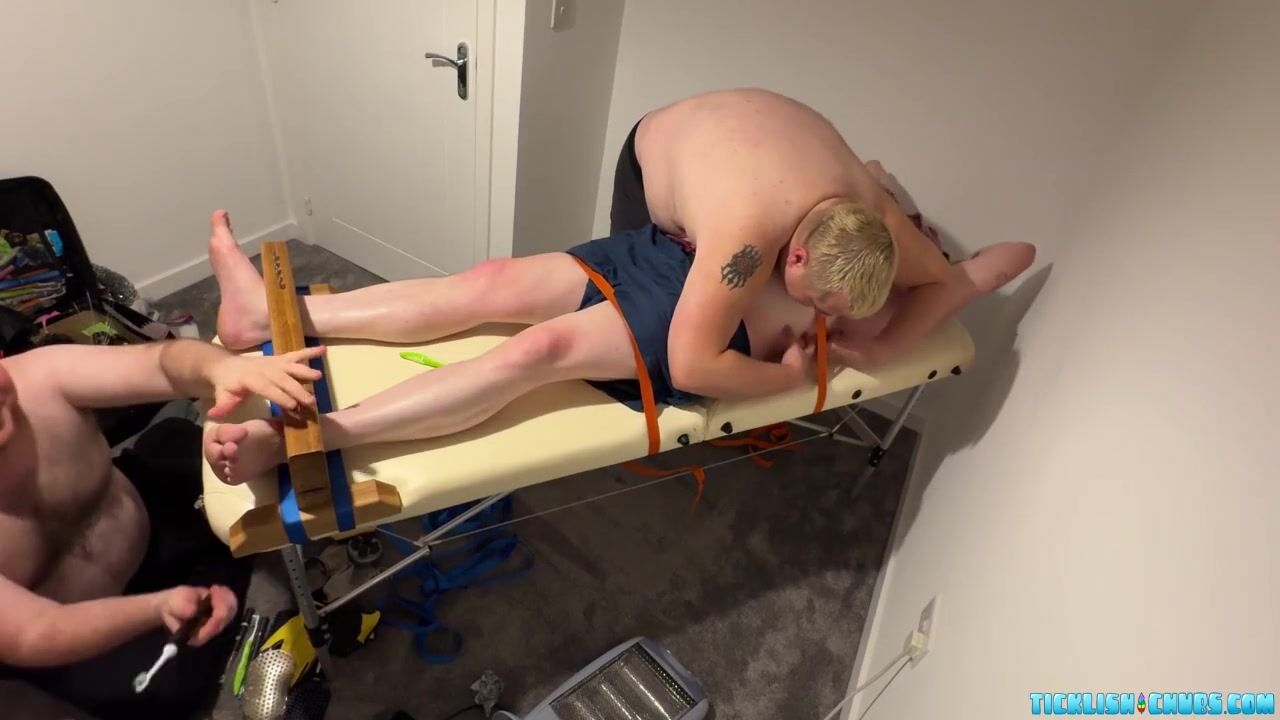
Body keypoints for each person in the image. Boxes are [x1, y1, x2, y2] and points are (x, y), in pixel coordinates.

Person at [205, 88, 1034, 484]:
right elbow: (697, 362)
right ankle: (278, 313)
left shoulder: (875, 215)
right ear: (787, 260)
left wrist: (884, 344)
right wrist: (786, 378)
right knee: (493, 283)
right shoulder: (744, 239)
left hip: (694, 223)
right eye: (816, 303)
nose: (820, 320)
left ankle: (322, 434)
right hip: (666, 200)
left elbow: (993, 263)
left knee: (539, 351)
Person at [0, 334, 326, 719]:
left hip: (151, 516)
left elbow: (159, 361)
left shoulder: (39, 377)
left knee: (196, 446)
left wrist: (221, 367)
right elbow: (36, 630)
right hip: (95, 620)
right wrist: (155, 608)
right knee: (164, 692)